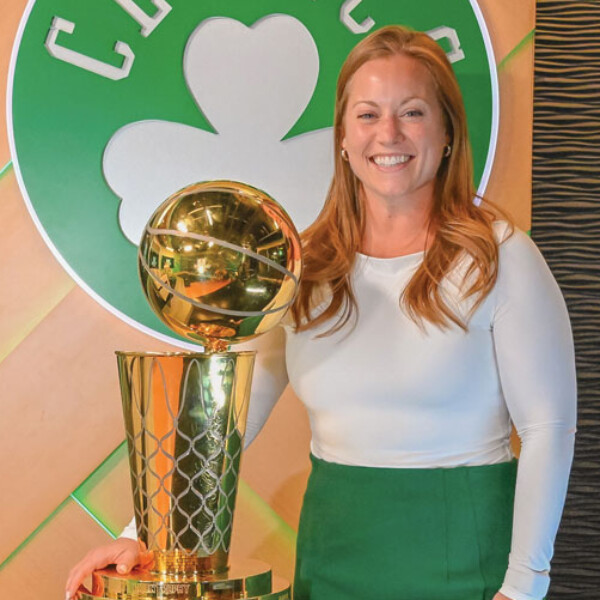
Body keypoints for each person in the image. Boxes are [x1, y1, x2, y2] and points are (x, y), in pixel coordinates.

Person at [66, 25, 576, 600]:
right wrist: (143, 537)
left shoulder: (501, 257)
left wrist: (525, 585)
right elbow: (229, 425)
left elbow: (548, 430)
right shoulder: (303, 269)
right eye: (368, 115)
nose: (388, 133)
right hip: (330, 561)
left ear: (447, 132)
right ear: (343, 137)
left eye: (412, 112)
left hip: (468, 563)